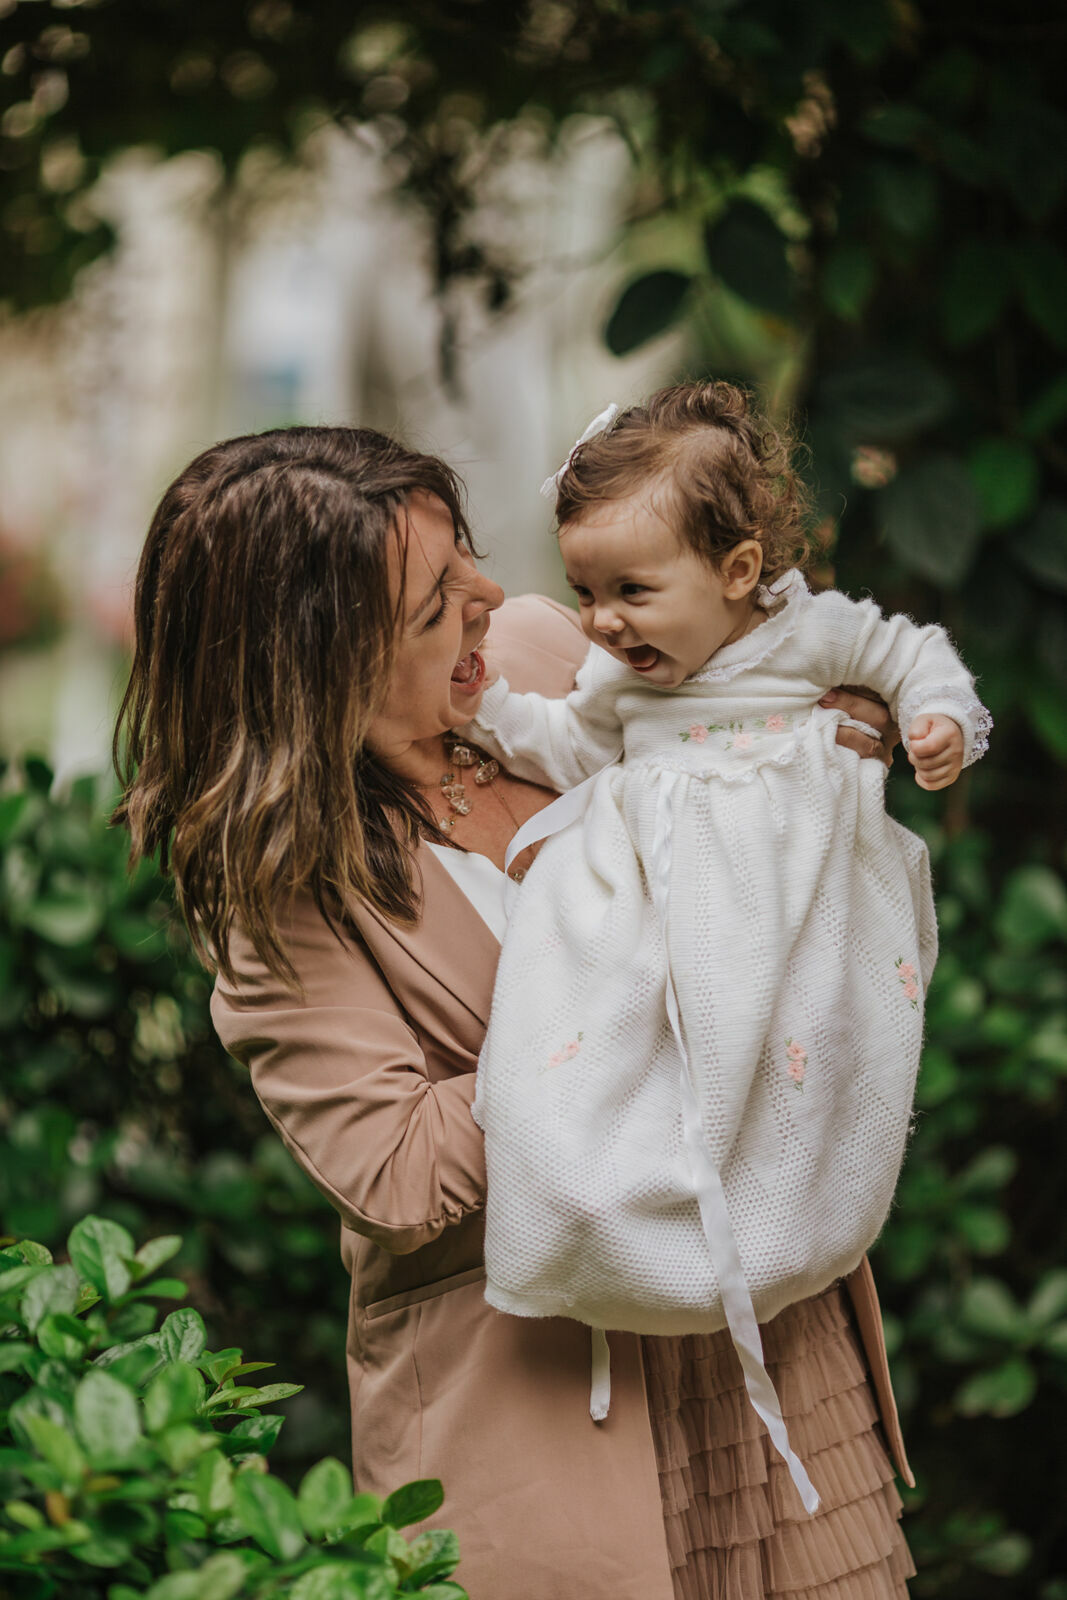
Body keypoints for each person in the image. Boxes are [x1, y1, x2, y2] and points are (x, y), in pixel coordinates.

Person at [113, 422, 917, 1600]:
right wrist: (617, 1013)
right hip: (556, 1408)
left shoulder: (547, 656)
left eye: (468, 559)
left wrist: (827, 740)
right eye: (435, 603)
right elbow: (394, 1173)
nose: (490, 598)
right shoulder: (283, 890)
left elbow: (757, 727)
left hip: (765, 1325)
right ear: (321, 661)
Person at [463, 383, 991, 1513]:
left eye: (631, 592)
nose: (602, 624)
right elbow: (570, 746)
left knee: (793, 1076)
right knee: (605, 1060)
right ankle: (615, 1241)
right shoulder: (617, 679)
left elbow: (914, 654)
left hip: (790, 913)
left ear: (738, 571)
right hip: (664, 918)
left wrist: (940, 719)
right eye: (585, 593)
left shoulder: (813, 634)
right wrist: (488, 713)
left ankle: (783, 1227)